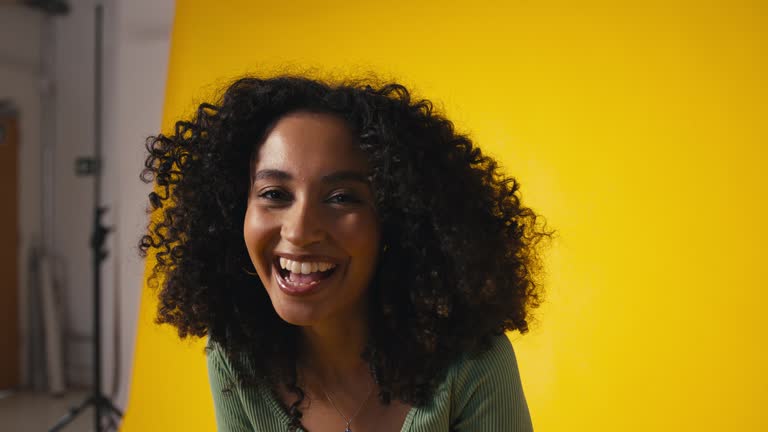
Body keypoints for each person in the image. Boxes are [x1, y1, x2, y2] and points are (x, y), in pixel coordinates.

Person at [139, 76, 551, 432]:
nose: (299, 231)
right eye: (274, 194)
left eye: (341, 198)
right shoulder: (238, 357)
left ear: (397, 220)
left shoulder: (471, 364)